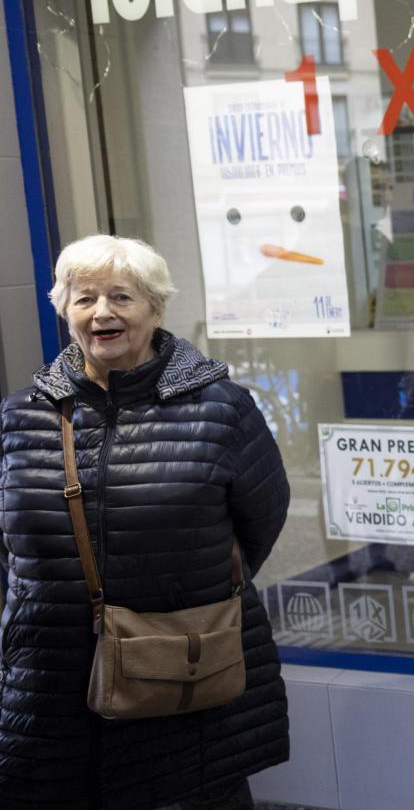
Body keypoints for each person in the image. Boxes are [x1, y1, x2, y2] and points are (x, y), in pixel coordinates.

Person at [0, 235, 291, 810]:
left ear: (156, 309)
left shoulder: (221, 409)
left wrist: (181, 585)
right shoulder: (19, 416)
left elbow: (260, 525)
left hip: (183, 678)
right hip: (53, 685)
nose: (102, 312)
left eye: (121, 297)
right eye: (84, 298)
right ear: (63, 310)